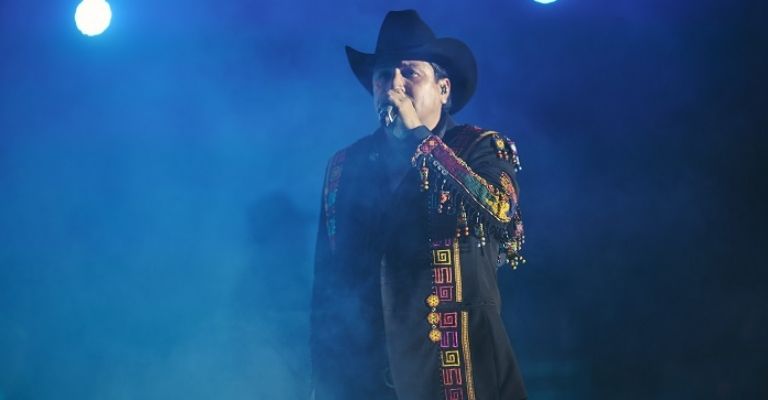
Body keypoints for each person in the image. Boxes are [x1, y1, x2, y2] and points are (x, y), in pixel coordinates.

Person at [310, 10, 527, 400]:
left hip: (459, 373)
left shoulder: (481, 147)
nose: (394, 84)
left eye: (409, 72)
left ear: (443, 89)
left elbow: (501, 211)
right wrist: (322, 381)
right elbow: (327, 283)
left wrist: (420, 139)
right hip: (368, 380)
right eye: (383, 75)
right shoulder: (345, 166)